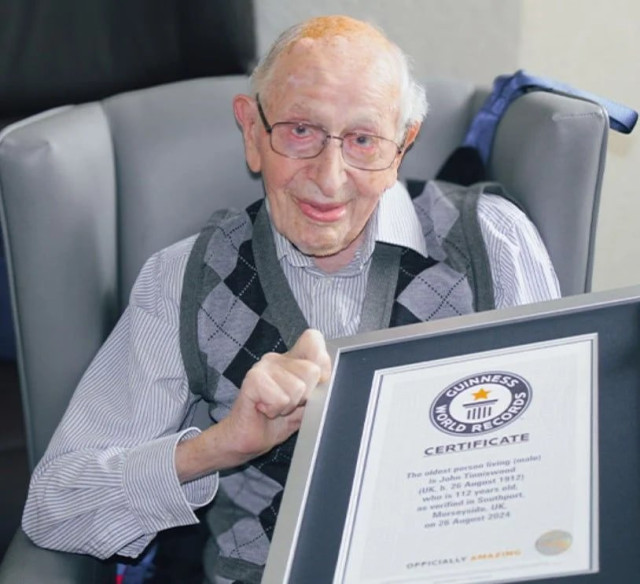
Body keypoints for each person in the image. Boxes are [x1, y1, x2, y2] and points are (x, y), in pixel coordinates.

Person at [21, 14, 560, 584]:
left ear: (402, 146)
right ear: (252, 131)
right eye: (300, 130)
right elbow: (56, 510)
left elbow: (558, 466)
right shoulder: (182, 278)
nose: (329, 178)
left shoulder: (492, 241)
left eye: (363, 140)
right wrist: (219, 446)